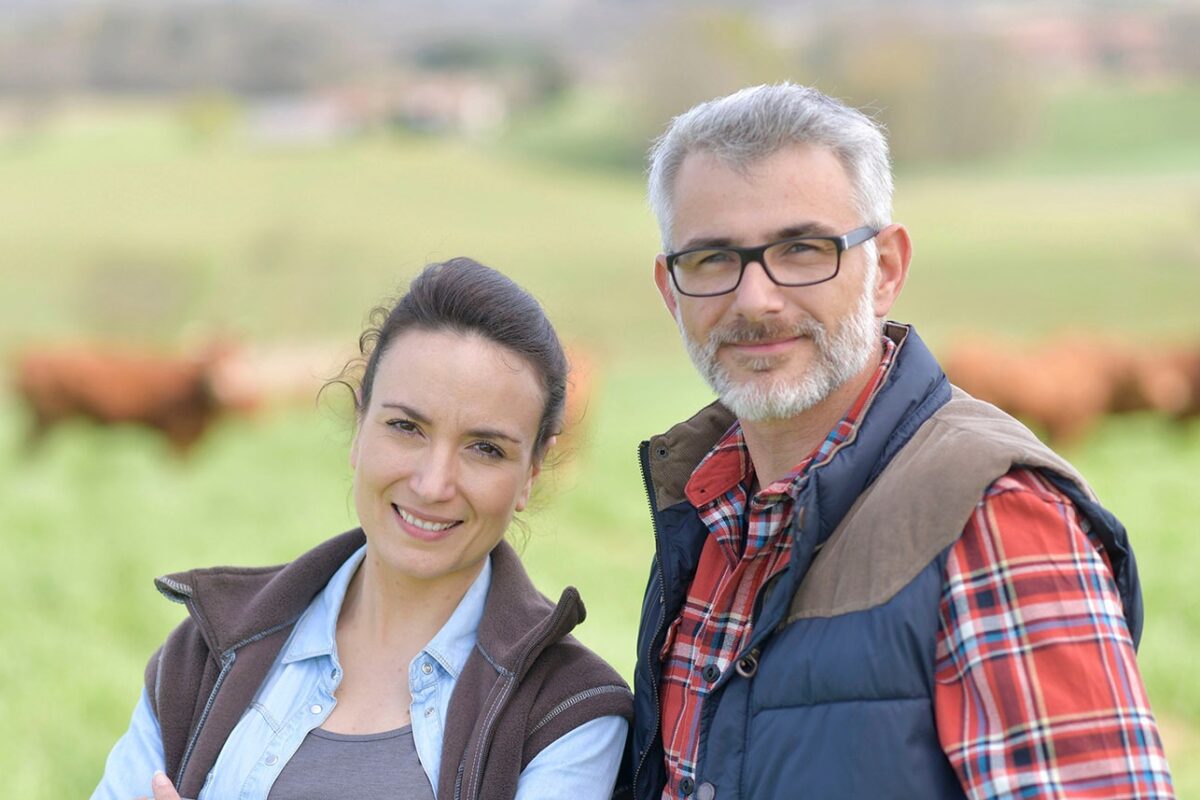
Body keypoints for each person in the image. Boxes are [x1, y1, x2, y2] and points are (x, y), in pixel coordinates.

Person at [628, 84, 1175, 799]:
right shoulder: (708, 513)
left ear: (885, 268)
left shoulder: (994, 516)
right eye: (712, 259)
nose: (755, 300)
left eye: (801, 249)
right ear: (671, 291)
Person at [92, 258, 632, 800]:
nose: (432, 483)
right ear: (358, 428)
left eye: (485, 448)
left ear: (531, 475)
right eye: (405, 427)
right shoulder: (206, 653)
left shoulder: (569, 713)